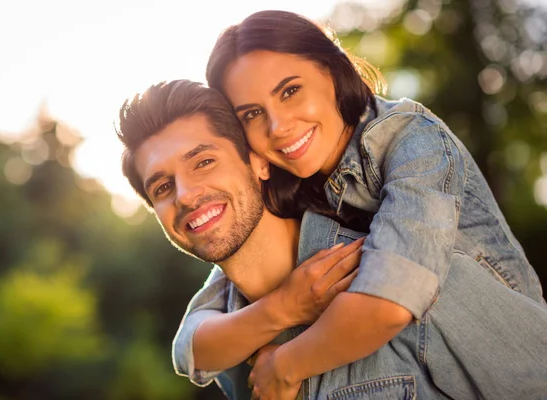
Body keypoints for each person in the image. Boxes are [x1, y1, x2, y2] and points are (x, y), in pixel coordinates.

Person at [117, 80, 547, 400]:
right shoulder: (233, 352)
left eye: (204, 162)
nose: (186, 195)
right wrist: (282, 308)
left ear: (258, 163)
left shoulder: (410, 277)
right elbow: (189, 350)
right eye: (161, 188)